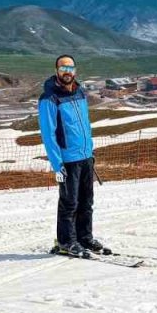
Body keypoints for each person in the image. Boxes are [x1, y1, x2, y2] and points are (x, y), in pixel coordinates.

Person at [38, 55, 105, 258]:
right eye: (63, 68)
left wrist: (90, 151)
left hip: (85, 156)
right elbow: (48, 134)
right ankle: (66, 242)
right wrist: (57, 165)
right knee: (69, 203)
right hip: (67, 160)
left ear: (75, 70)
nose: (67, 72)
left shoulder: (80, 93)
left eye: (70, 68)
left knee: (86, 202)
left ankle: (84, 238)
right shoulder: (49, 98)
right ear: (56, 71)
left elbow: (85, 124)